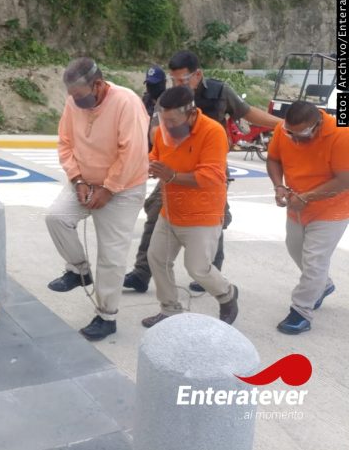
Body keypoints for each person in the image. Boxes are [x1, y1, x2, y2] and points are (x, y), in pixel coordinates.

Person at [123, 50, 282, 293]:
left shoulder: (220, 92)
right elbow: (155, 130)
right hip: (173, 168)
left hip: (210, 167)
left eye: (183, 79)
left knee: (213, 217)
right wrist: (166, 142)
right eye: (174, 79)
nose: (177, 84)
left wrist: (283, 125)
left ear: (197, 75)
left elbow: (247, 112)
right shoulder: (168, 98)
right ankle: (142, 273)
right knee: (156, 212)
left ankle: (209, 273)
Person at [44, 57, 149, 341]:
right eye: (71, 96)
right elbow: (65, 142)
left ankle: (106, 316)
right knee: (56, 218)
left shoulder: (126, 102)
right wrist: (77, 179)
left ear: (98, 85)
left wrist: (109, 189)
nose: (76, 102)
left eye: (80, 96)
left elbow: (132, 152)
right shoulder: (74, 102)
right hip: (84, 182)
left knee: (111, 256)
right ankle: (79, 271)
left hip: (123, 188)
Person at [141, 86, 239, 327]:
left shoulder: (213, 132)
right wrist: (151, 165)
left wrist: (172, 176)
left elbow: (212, 175)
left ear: (192, 113)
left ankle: (227, 294)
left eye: (173, 121)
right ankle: (169, 310)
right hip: (170, 211)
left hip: (202, 215)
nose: (168, 126)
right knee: (157, 259)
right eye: (164, 121)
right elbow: (156, 155)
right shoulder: (165, 130)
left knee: (198, 269)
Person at [266, 101, 349, 334]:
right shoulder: (283, 130)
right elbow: (273, 159)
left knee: (314, 259)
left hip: (332, 207)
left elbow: (345, 180)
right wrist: (278, 186)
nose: (293, 139)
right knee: (295, 249)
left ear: (317, 125)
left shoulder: (341, 134)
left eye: (300, 134)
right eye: (289, 133)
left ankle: (301, 311)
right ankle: (323, 285)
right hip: (298, 204)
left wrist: (307, 197)